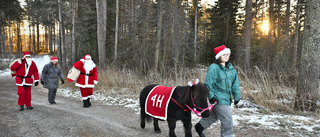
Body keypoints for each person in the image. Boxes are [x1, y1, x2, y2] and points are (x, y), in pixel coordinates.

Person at [195, 45, 241, 137]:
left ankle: (200, 126)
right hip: (218, 98)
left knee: (214, 116)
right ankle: (227, 135)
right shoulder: (214, 68)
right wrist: (211, 96)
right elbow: (208, 84)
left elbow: (235, 84)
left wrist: (237, 97)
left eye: (228, 54)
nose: (226, 56)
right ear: (219, 56)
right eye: (224, 55)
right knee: (227, 119)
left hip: (226, 98)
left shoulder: (231, 69)